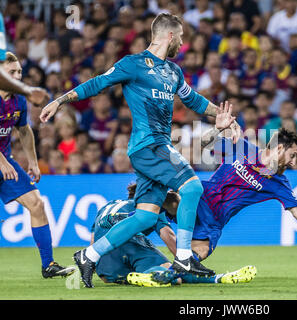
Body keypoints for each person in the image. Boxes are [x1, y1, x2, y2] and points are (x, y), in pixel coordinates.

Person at [39, 13, 240, 287]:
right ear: (169, 35)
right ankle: (183, 257)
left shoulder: (174, 71)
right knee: (192, 187)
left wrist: (222, 116)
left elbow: (192, 100)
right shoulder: (133, 64)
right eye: (180, 37)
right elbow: (97, 83)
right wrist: (60, 101)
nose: (182, 43)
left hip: (159, 146)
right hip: (148, 145)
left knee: (145, 215)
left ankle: (89, 255)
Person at [172, 127, 297, 261]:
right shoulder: (242, 148)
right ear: (280, 148)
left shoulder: (278, 182)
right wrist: (218, 128)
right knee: (170, 199)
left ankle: (169, 273)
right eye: (293, 155)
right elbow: (204, 143)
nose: (293, 163)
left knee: (199, 254)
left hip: (214, 222)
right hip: (199, 198)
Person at [91, 184, 257, 287]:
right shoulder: (152, 207)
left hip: (103, 257)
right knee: (174, 275)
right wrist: (186, 262)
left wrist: (96, 267)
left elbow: (93, 241)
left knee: (111, 277)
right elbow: (169, 236)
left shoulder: (109, 205)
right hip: (129, 240)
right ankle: (219, 278)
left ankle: (130, 277)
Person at [0, 52, 74, 278]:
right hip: (2, 161)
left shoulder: (19, 99)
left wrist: (32, 161)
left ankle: (48, 265)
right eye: (12, 72)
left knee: (37, 204)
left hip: (5, 163)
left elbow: (23, 129)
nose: (18, 76)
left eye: (19, 71)